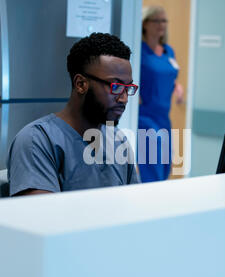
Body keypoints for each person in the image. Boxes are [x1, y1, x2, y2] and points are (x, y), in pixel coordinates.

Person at [7, 33, 140, 196]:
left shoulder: (118, 141)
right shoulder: (38, 140)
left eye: (128, 88)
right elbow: (41, 217)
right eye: (116, 86)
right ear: (81, 84)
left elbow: (133, 204)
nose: (124, 98)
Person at [137, 6, 184, 182]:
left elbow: (169, 75)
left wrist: (177, 87)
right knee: (152, 163)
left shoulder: (168, 51)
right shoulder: (139, 50)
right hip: (145, 116)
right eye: (156, 20)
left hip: (164, 117)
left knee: (165, 166)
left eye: (164, 20)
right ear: (145, 24)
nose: (161, 24)